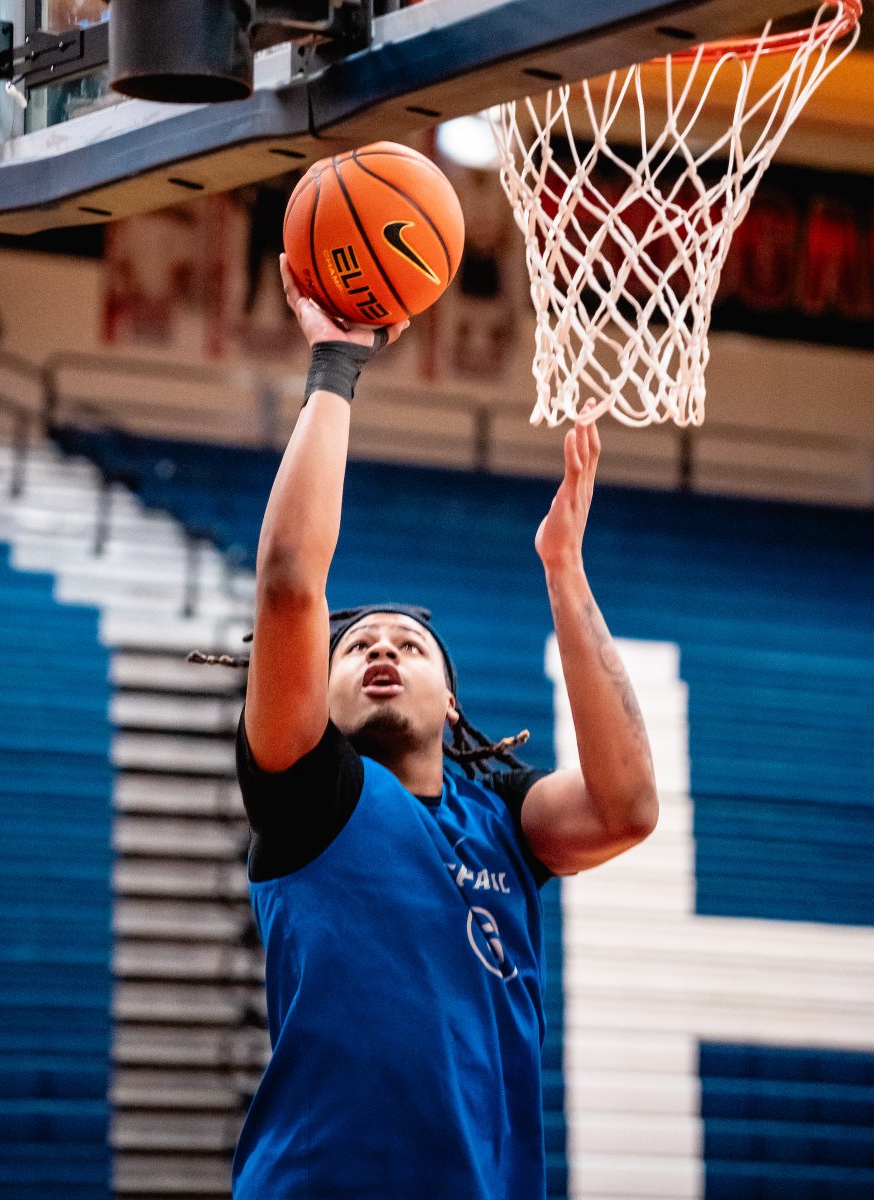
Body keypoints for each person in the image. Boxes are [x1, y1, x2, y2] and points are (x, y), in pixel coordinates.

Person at [218, 255, 658, 1199]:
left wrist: (564, 574)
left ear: (452, 705)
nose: (380, 649)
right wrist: (335, 367)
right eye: (356, 647)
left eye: (409, 646)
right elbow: (292, 581)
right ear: (319, 697)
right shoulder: (311, 794)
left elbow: (626, 806)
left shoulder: (496, 815)